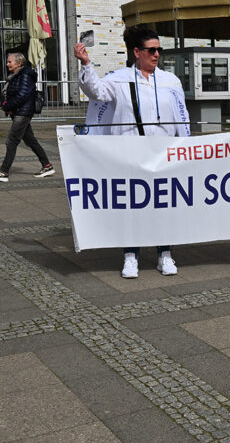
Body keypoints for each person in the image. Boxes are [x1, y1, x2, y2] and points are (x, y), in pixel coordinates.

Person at [73, 25, 190, 279]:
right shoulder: (119, 79)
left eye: (159, 50)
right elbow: (96, 91)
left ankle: (164, 253)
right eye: (151, 50)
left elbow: (182, 116)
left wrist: (186, 147)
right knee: (132, 207)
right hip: (130, 154)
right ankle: (130, 255)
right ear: (137, 52)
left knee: (163, 206)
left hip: (163, 154)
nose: (157, 54)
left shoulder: (170, 81)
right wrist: (86, 64)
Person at [0, 52, 55, 182]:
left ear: (18, 63)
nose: (7, 64)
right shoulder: (15, 76)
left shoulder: (25, 75)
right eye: (7, 61)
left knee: (11, 141)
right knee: (31, 141)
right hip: (18, 112)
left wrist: (7, 106)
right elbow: (10, 93)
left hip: (23, 113)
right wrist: (6, 105)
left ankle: (3, 172)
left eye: (10, 62)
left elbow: (22, 95)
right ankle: (47, 166)